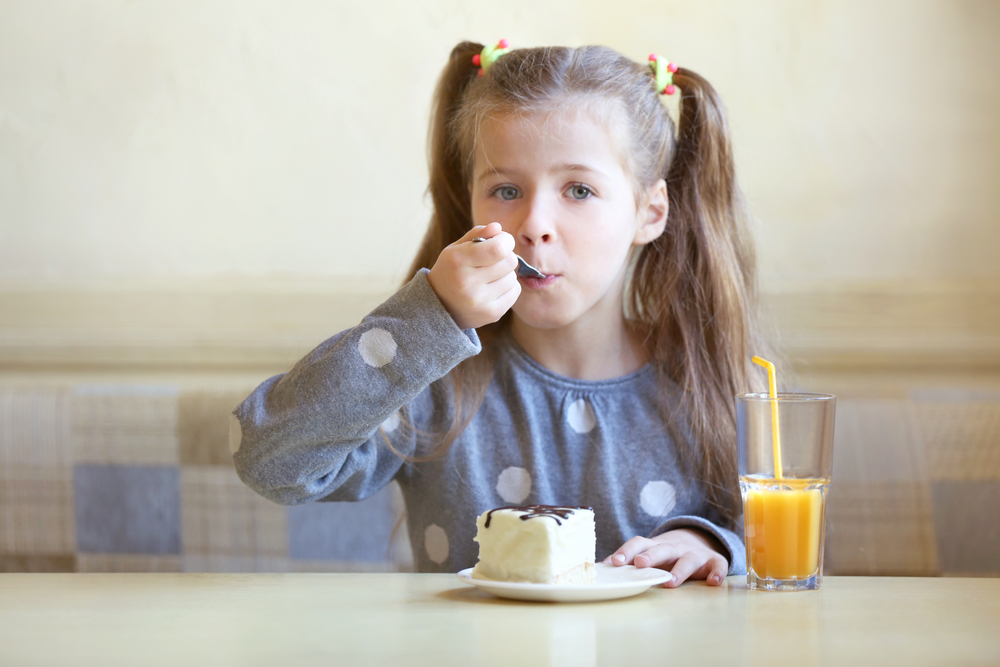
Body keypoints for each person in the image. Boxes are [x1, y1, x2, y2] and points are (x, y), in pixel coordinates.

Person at [231, 41, 770, 587]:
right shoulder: (437, 383)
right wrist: (428, 319)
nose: (533, 224)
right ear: (471, 202)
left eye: (578, 190)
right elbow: (272, 465)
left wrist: (709, 543)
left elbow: (781, 553)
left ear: (649, 212)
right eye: (506, 190)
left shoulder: (710, 384)